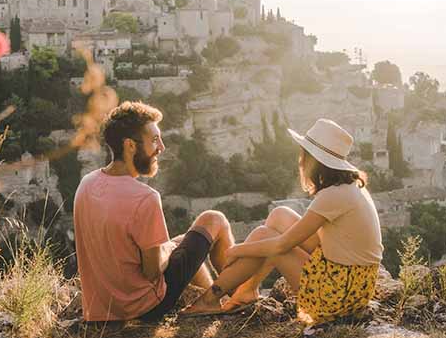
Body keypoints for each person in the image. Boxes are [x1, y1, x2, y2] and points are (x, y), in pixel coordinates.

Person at [183, 118, 384, 325]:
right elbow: (313, 239)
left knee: (268, 238)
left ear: (313, 160)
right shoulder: (349, 187)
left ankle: (211, 298)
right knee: (280, 215)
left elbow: (282, 245)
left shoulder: (334, 195)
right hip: (353, 283)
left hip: (339, 296)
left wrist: (235, 251)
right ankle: (246, 291)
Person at [73, 101, 235, 322]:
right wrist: (168, 247)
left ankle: (211, 301)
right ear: (130, 145)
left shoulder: (86, 184)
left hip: (102, 311)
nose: (162, 147)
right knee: (214, 220)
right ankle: (237, 299)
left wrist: (170, 246)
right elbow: (153, 271)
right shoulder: (145, 198)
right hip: (143, 308)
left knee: (179, 244)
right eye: (154, 140)